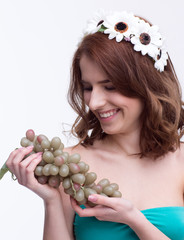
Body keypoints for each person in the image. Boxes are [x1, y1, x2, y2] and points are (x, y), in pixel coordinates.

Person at [6, 10, 184, 240]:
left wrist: (134, 219)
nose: (95, 102)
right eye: (88, 88)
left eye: (109, 87)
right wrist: (51, 201)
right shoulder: (71, 166)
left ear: (146, 85)